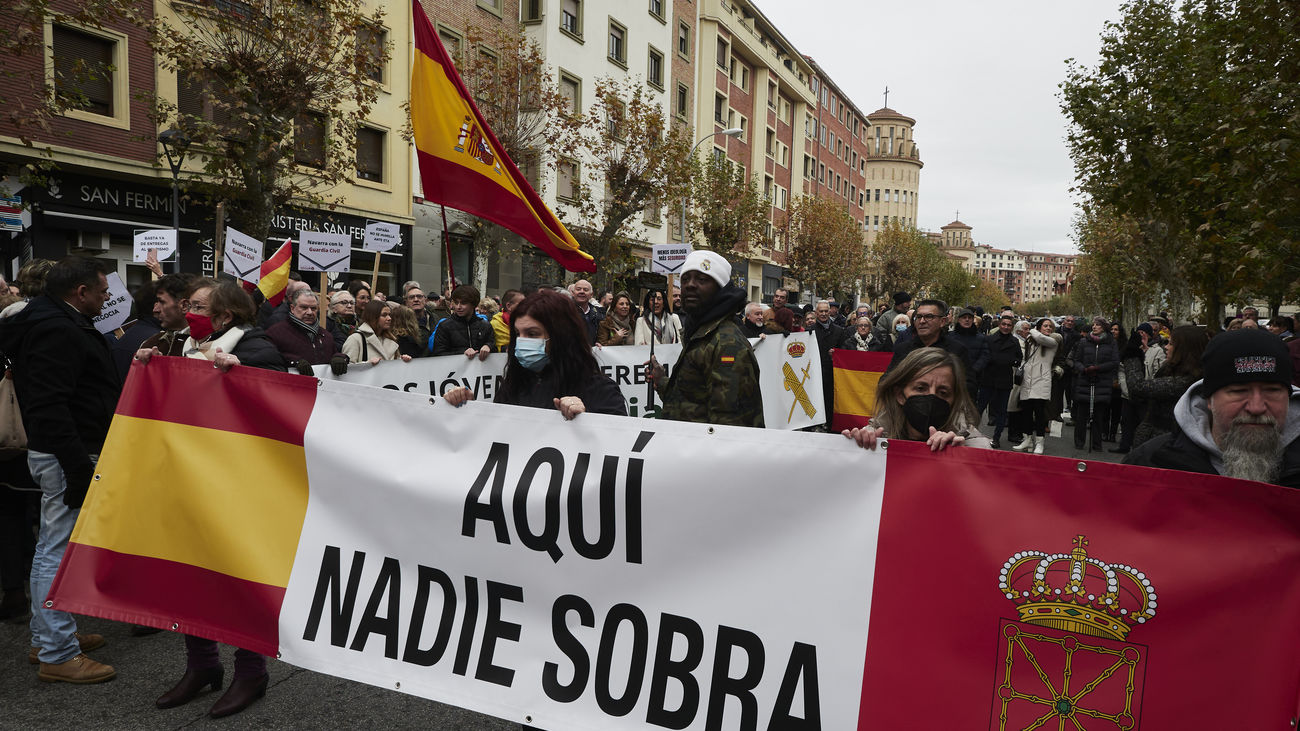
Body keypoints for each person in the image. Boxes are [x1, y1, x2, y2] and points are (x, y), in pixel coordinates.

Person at [133, 285, 284, 717]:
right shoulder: (181, 344)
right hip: (189, 479)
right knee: (190, 575)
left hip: (238, 484)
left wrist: (244, 373)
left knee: (237, 578)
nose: (189, 312)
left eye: (198, 307)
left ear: (224, 317)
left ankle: (251, 670)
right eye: (189, 306)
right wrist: (152, 367)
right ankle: (202, 666)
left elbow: (282, 399)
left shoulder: (257, 346)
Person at [0, 256, 118, 684]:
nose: (108, 299)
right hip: (68, 453)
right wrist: (76, 468)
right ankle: (56, 652)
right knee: (58, 549)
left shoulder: (53, 320)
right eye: (102, 292)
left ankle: (49, 633)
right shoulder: (57, 328)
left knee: (55, 545)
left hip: (67, 451)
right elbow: (51, 404)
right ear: (80, 292)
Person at [1124, 329, 1299, 486]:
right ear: (1209, 398)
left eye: (1272, 391)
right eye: (1239, 391)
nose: (1256, 407)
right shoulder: (1150, 463)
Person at [444, 290, 625, 417]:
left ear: (561, 335)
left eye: (532, 334)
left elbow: (617, 451)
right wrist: (470, 409)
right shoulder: (512, 386)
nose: (521, 342)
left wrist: (587, 419)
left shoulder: (601, 390)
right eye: (517, 334)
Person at [647, 251, 763, 427]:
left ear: (720, 289)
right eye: (685, 279)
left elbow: (730, 428)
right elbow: (692, 401)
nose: (690, 285)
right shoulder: (702, 332)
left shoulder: (727, 344)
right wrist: (661, 381)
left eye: (702, 280)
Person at [842, 348, 991, 452]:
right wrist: (856, 447)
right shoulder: (876, 436)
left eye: (943, 392)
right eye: (921, 388)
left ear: (954, 399)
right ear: (900, 395)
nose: (932, 397)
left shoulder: (973, 444)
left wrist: (964, 454)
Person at [1118, 324, 1208, 450]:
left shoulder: (1186, 381)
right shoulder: (1170, 370)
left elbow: (1138, 388)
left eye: (1170, 344)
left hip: (1164, 448)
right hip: (1152, 443)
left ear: (1183, 350)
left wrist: (1132, 355)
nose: (1166, 347)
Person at [886, 299, 975, 397]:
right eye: (918, 317)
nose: (922, 321)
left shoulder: (957, 350)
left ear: (942, 321)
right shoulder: (903, 350)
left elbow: (969, 386)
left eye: (929, 316)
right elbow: (887, 380)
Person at [1011, 318, 1061, 454]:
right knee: (1026, 413)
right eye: (1045, 326)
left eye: (1050, 326)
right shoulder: (1030, 340)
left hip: (1042, 381)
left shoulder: (1052, 341)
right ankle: (1026, 439)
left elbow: (1040, 338)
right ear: (1040, 327)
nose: (1048, 328)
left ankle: (1040, 443)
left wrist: (1032, 329)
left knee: (1040, 415)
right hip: (1027, 381)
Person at [1071, 317, 1119, 451]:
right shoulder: (1083, 342)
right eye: (1093, 324)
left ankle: (1097, 444)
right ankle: (1079, 442)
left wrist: (1098, 368)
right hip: (1085, 381)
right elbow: (1077, 360)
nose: (1094, 327)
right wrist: (1084, 369)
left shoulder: (1111, 343)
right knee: (1081, 415)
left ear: (1103, 327)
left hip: (1101, 382)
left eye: (1097, 325)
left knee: (1098, 415)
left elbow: (1114, 362)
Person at [978, 314, 1021, 449]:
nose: (1006, 327)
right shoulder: (989, 339)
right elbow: (983, 355)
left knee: (1002, 411)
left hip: (1004, 379)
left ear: (1012, 327)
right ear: (999, 325)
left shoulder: (1014, 342)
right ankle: (971, 433)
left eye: (1009, 325)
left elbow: (1019, 358)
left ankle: (996, 438)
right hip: (988, 378)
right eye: (1004, 324)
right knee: (979, 408)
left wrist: (1012, 361)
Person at [266, 289, 335, 372]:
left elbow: (333, 354)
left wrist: (339, 357)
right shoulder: (275, 333)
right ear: (292, 308)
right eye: (304, 307)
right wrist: (293, 361)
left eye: (313, 308)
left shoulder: (326, 335)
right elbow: (268, 360)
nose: (309, 312)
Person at [429, 284, 494, 358]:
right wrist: (462, 352)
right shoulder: (445, 326)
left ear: (473, 304)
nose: (458, 307)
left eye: (463, 303)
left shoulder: (485, 325)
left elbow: (493, 346)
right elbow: (438, 353)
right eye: (456, 303)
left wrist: (488, 346)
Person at [343, 300, 412, 365]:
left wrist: (402, 361)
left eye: (389, 315)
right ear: (373, 317)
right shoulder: (355, 339)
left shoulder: (391, 339)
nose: (389, 318)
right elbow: (347, 369)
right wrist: (367, 364)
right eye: (384, 315)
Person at [948, 307, 990, 386]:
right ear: (959, 320)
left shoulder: (981, 338)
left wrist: (974, 370)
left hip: (973, 378)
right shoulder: (950, 336)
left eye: (969, 318)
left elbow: (985, 356)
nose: (967, 320)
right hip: (953, 375)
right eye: (964, 317)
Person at [570, 279, 602, 345]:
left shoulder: (598, 313)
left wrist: (598, 342)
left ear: (591, 295)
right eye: (578, 289)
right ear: (573, 293)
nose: (582, 292)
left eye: (585, 290)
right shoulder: (565, 311)